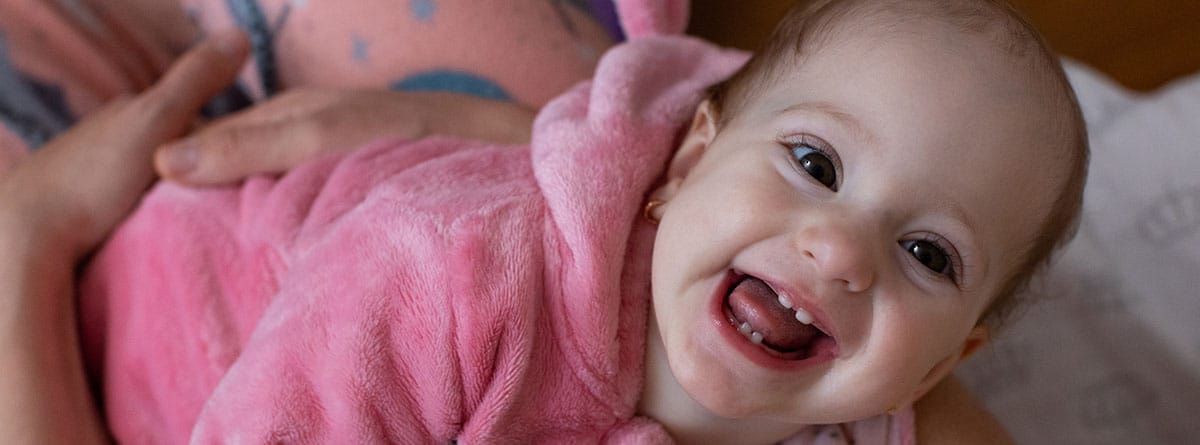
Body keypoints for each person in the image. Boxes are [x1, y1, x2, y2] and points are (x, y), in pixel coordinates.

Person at [1, 0, 1083, 443]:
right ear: (691, 159)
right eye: (813, 163)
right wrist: (33, 235)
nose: (842, 250)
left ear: (953, 355)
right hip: (150, 315)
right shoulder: (454, 269)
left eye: (930, 254)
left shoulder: (863, 417)